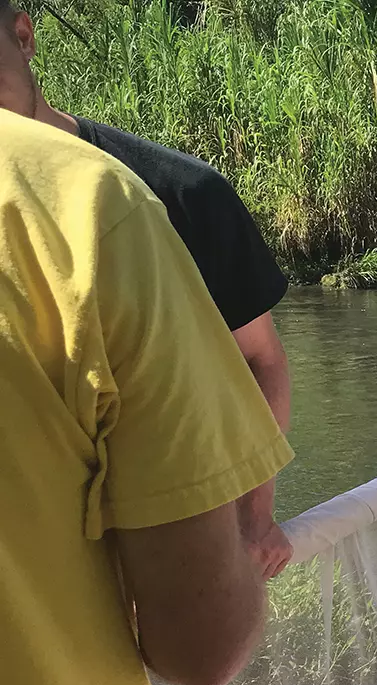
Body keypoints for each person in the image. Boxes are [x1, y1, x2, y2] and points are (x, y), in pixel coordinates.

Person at [0, 111, 292, 685]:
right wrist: (241, 543)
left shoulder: (170, 191)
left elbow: (260, 362)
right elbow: (205, 644)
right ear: (20, 25)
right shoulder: (84, 203)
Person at [0, 0, 293, 578]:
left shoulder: (183, 196)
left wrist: (254, 518)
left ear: (24, 37)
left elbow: (259, 363)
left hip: (160, 558)